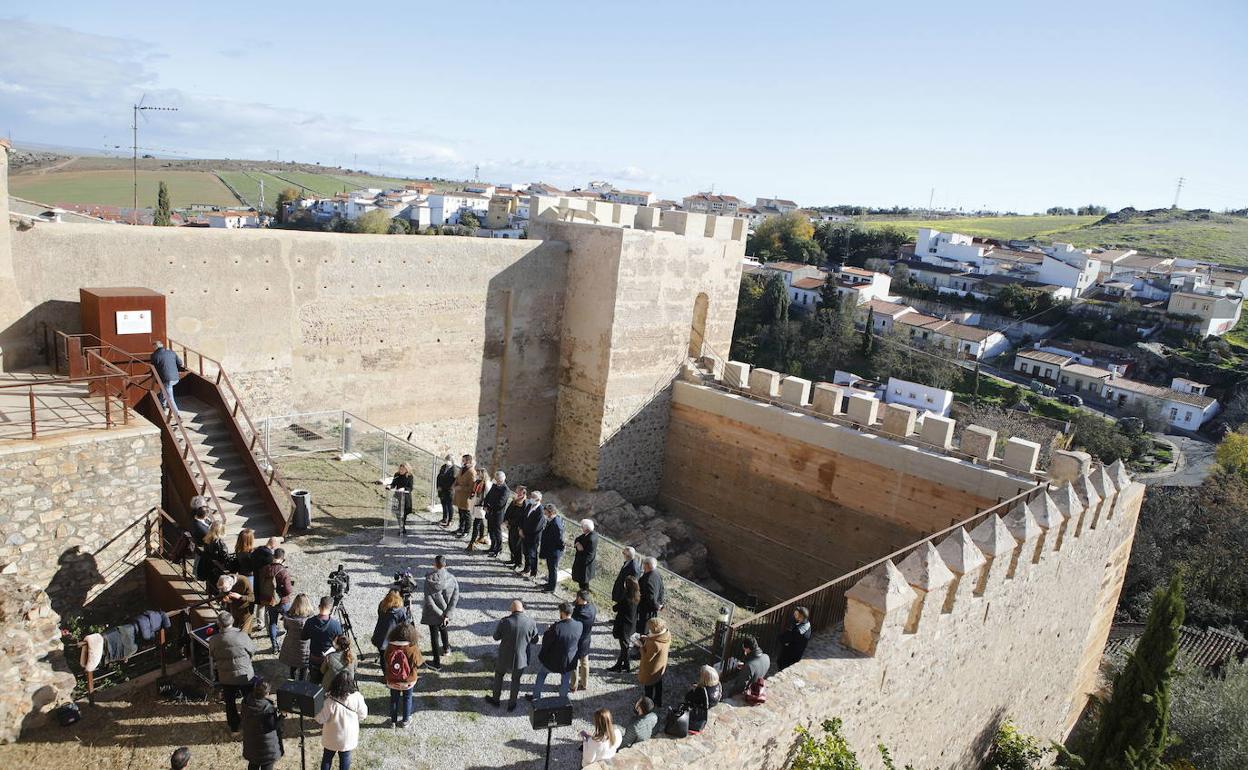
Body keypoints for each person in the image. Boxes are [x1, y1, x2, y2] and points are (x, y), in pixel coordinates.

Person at [486, 599, 538, 711]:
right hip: (521, 658)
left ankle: (496, 700)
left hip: (504, 656)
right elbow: (535, 640)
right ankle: (512, 704)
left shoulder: (505, 622)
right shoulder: (531, 623)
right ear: (522, 609)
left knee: (499, 675)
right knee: (516, 680)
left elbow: (496, 637)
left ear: (512, 609)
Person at [208, 610, 255, 732]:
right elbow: (252, 650)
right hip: (244, 674)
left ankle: (234, 726)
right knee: (250, 699)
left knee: (230, 703)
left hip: (226, 676)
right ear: (232, 621)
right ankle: (251, 722)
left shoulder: (214, 640)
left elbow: (212, 655)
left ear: (218, 624)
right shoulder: (242, 636)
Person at [315, 671, 367, 770]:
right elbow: (363, 715)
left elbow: (320, 719)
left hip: (331, 737)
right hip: (348, 737)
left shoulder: (329, 700)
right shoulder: (357, 697)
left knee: (327, 759)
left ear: (335, 683)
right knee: (345, 758)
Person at [530, 602, 582, 701]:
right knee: (565, 681)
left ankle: (536, 697)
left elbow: (546, 642)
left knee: (541, 674)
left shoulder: (557, 627)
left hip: (553, 661)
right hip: (568, 661)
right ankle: (562, 700)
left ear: (562, 613)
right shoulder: (579, 625)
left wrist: (547, 631)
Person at [421, 554, 459, 670]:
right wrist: (446, 614)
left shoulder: (429, 580)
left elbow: (429, 600)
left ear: (434, 564)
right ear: (445, 564)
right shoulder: (452, 578)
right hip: (445, 613)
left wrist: (440, 614)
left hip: (432, 614)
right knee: (443, 628)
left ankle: (436, 663)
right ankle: (446, 649)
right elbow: (455, 597)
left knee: (434, 637)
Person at [383, 623, 423, 727]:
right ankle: (405, 721)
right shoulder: (412, 647)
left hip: (393, 679)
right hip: (408, 680)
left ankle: (393, 721)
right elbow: (418, 662)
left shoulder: (390, 646)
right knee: (407, 698)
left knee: (394, 699)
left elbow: (386, 659)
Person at [255, 548, 293, 654]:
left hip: (270, 601)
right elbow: (288, 590)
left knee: (272, 623)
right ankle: (289, 645)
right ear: (282, 558)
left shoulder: (264, 569)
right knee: (290, 623)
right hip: (283, 601)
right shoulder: (283, 571)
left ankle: (275, 647)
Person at [241, 679, 283, 770]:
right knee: (267, 765)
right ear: (267, 694)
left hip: (251, 743)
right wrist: (282, 716)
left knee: (253, 764)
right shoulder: (268, 709)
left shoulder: (246, 701)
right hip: (266, 748)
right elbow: (273, 726)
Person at [302, 596, 344, 684]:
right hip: (329, 660)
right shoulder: (335, 625)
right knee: (327, 681)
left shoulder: (310, 622)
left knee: (313, 681)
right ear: (331, 609)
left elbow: (303, 637)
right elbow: (340, 643)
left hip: (314, 658)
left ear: (319, 606)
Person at [609, 575, 640, 672]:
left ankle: (622, 665)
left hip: (623, 625)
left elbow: (615, 608)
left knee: (624, 647)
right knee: (625, 646)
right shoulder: (637, 595)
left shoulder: (626, 598)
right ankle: (624, 665)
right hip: (631, 624)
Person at [637, 617, 670, 707]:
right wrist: (647, 638)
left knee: (649, 688)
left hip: (651, 670)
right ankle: (658, 701)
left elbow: (647, 658)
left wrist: (641, 646)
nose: (648, 629)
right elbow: (656, 638)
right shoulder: (666, 634)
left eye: (650, 628)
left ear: (654, 629)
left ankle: (648, 705)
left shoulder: (655, 644)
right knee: (658, 684)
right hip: (660, 667)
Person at [280, 594, 314, 680]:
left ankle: (292, 680)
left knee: (292, 664)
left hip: (292, 644)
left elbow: (286, 627)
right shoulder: (310, 619)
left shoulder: (288, 616)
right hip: (304, 647)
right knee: (303, 669)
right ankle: (300, 685)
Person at [725, 634, 771, 698]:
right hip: (758, 684)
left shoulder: (749, 666)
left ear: (748, 649)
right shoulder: (766, 657)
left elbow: (740, 687)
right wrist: (745, 667)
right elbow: (757, 669)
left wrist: (729, 691)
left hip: (750, 692)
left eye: (744, 649)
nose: (744, 651)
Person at [371, 590, 409, 659]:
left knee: (383, 657)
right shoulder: (400, 611)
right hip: (392, 639)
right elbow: (405, 624)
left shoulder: (382, 606)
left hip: (379, 636)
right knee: (391, 659)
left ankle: (383, 665)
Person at [684, 665, 722, 733]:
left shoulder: (701, 690)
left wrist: (693, 690)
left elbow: (689, 697)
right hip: (715, 701)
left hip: (706, 704)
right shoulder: (718, 684)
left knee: (688, 698)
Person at [571, 590, 596, 692]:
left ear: (580, 599)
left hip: (576, 641)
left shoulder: (577, 613)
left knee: (574, 664)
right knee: (585, 662)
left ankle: (573, 685)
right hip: (586, 639)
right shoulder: (592, 608)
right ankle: (584, 684)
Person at [482, 470, 512, 557]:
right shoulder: (494, 486)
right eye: (496, 479)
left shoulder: (506, 490)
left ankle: (498, 549)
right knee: (490, 531)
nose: (497, 481)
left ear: (503, 479)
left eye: (499, 479)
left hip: (497, 515)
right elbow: (488, 496)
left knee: (497, 532)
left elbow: (500, 503)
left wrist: (489, 507)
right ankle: (492, 547)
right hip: (490, 512)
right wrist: (485, 505)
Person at [151, 340, 183, 415]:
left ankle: (177, 414)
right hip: (175, 378)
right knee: (163, 388)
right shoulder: (171, 352)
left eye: (153, 347)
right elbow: (180, 363)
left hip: (166, 379)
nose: (153, 349)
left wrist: (154, 378)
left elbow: (153, 368)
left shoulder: (154, 355)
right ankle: (163, 405)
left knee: (170, 397)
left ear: (155, 347)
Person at [538, 504, 565, 592]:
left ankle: (551, 588)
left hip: (554, 551)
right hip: (550, 549)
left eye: (546, 512)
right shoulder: (552, 520)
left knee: (553, 570)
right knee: (550, 569)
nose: (544, 514)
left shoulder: (556, 523)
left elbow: (559, 539)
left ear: (551, 512)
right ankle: (549, 584)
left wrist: (559, 549)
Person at [777, 606, 812, 672]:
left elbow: (785, 638)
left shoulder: (798, 631)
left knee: (782, 666)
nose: (794, 615)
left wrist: (782, 639)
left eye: (796, 614)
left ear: (801, 617)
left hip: (790, 654)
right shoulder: (807, 623)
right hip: (797, 652)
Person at [521, 490, 547, 578]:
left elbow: (536, 527)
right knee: (526, 553)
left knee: (532, 554)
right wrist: (521, 529)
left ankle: (533, 572)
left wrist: (525, 533)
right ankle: (526, 569)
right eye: (531, 496)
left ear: (538, 499)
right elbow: (524, 518)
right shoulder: (529, 506)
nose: (531, 498)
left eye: (533, 497)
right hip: (524, 534)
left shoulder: (541, 511)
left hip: (533, 537)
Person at [196, 521, 229, 589]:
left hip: (208, 564)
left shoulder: (207, 538)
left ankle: (208, 590)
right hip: (217, 566)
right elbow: (225, 556)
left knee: (210, 581)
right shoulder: (219, 542)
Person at [637, 557, 665, 635]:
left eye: (644, 564)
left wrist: (657, 605)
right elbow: (662, 589)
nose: (643, 566)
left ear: (647, 565)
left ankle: (643, 640)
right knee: (650, 625)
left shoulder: (648, 579)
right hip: (654, 606)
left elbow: (650, 597)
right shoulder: (657, 574)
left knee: (644, 626)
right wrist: (660, 603)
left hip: (647, 607)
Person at [503, 485, 530, 568]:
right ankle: (513, 559)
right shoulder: (515, 500)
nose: (516, 492)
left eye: (518, 491)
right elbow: (508, 510)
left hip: (518, 527)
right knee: (511, 543)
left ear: (523, 492)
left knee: (517, 546)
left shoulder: (525, 503)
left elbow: (521, 516)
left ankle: (518, 563)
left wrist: (512, 522)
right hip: (511, 525)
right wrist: (506, 519)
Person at [451, 454, 477, 537]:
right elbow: (457, 478)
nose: (462, 462)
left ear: (468, 461)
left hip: (466, 497)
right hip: (459, 496)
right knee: (460, 513)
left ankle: (466, 531)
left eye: (463, 460)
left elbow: (471, 487)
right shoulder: (462, 469)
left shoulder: (472, 472)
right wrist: (454, 485)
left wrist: (461, 487)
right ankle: (460, 528)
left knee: (466, 514)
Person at [571, 519, 598, 592]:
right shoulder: (590, 534)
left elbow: (587, 555)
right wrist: (578, 544)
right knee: (583, 583)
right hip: (583, 565)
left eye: (582, 527)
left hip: (585, 566)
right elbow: (578, 539)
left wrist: (580, 549)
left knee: (583, 584)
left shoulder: (590, 539)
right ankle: (582, 596)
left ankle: (583, 597)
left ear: (586, 529)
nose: (581, 528)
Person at [467, 471, 491, 550]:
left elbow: (488, 495)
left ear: (483, 474)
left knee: (476, 523)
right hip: (475, 504)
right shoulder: (477, 482)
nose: (477, 474)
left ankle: (472, 542)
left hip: (481, 506)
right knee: (480, 522)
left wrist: (485, 505)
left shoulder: (486, 484)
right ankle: (481, 537)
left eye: (479, 473)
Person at [436, 455, 457, 526]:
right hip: (441, 490)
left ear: (452, 461)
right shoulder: (443, 467)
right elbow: (439, 477)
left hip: (449, 491)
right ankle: (444, 518)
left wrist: (445, 487)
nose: (447, 461)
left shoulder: (454, 469)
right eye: (446, 459)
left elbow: (452, 481)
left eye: (448, 460)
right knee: (444, 504)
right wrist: (438, 486)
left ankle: (450, 520)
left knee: (449, 506)